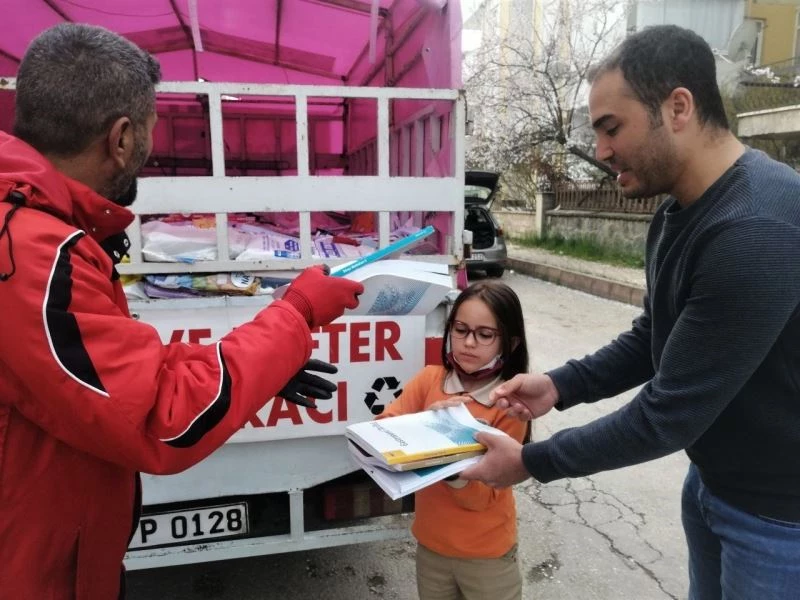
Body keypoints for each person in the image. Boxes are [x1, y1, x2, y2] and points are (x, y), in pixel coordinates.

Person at [0, 23, 364, 599]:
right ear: (120, 138)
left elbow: (112, 370)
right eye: (149, 133)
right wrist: (296, 314)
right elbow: (160, 419)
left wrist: (267, 364)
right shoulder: (37, 255)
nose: (147, 151)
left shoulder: (32, 230)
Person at [460, 24, 800, 599]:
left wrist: (531, 460)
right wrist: (559, 386)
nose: (600, 151)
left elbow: (667, 416)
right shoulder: (675, 212)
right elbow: (655, 337)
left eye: (611, 128)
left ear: (678, 107)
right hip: (715, 484)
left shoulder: (755, 227)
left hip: (778, 519)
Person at [377, 280, 530, 600]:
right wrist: (426, 424)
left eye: (485, 334)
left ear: (511, 343)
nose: (469, 343)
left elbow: (478, 497)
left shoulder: (510, 405)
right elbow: (382, 432)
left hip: (486, 555)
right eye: (460, 330)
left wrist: (438, 443)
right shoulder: (430, 379)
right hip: (431, 547)